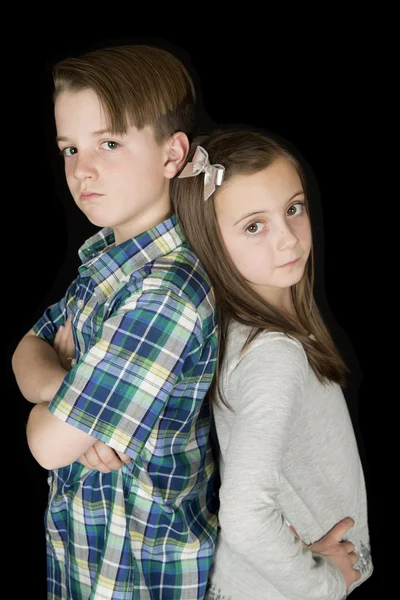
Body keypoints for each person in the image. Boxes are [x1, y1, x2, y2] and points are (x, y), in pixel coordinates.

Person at [12, 44, 219, 599]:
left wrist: (64, 417)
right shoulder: (106, 263)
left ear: (173, 154)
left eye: (109, 143)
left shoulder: (165, 292)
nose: (82, 170)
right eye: (69, 148)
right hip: (85, 560)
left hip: (141, 576)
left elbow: (47, 446)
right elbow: (25, 349)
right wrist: (72, 396)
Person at [171, 129, 373, 599]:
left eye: (293, 209)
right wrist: (323, 584)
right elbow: (244, 516)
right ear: (211, 241)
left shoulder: (261, 330)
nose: (288, 241)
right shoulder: (272, 354)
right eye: (254, 226)